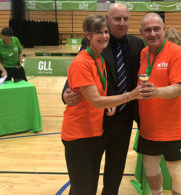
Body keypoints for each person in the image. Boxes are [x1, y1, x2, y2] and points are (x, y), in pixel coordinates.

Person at [62, 4, 145, 195]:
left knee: (116, 169)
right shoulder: (93, 47)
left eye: (126, 18)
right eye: (117, 19)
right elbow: (75, 78)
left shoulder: (137, 44)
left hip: (123, 119)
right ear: (108, 18)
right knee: (87, 177)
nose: (122, 23)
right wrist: (66, 93)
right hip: (97, 122)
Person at [137, 13, 181, 195]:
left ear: (164, 29)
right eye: (147, 30)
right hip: (149, 126)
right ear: (141, 33)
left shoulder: (177, 53)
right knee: (149, 166)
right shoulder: (144, 53)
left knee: (176, 170)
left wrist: (157, 91)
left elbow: (179, 88)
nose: (152, 34)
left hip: (174, 127)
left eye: (156, 29)